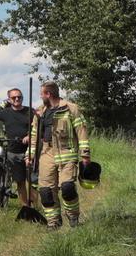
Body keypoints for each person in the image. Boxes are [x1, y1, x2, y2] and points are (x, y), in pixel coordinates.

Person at [30, 81, 91, 229]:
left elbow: (81, 131)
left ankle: (73, 217)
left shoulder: (71, 108)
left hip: (66, 152)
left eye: (41, 94)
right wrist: (30, 155)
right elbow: (34, 135)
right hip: (46, 153)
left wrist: (85, 154)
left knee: (67, 187)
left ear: (48, 94)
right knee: (45, 191)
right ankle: (53, 222)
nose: (40, 97)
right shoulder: (40, 112)